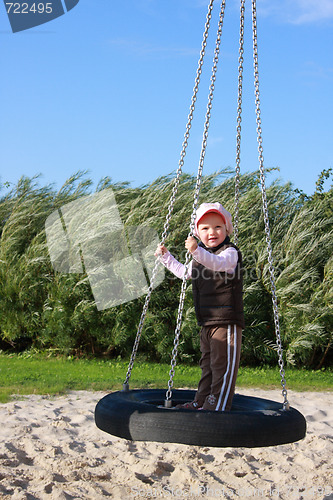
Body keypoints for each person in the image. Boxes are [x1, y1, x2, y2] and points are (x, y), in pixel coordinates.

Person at [155, 202, 244, 411]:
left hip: (226, 320)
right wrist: (165, 258)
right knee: (208, 364)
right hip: (207, 321)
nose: (211, 232)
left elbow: (217, 263)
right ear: (197, 232)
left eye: (218, 227)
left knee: (221, 364)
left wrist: (196, 251)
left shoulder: (229, 253)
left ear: (227, 229)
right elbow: (184, 273)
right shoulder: (200, 257)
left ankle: (218, 404)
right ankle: (201, 400)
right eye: (205, 228)